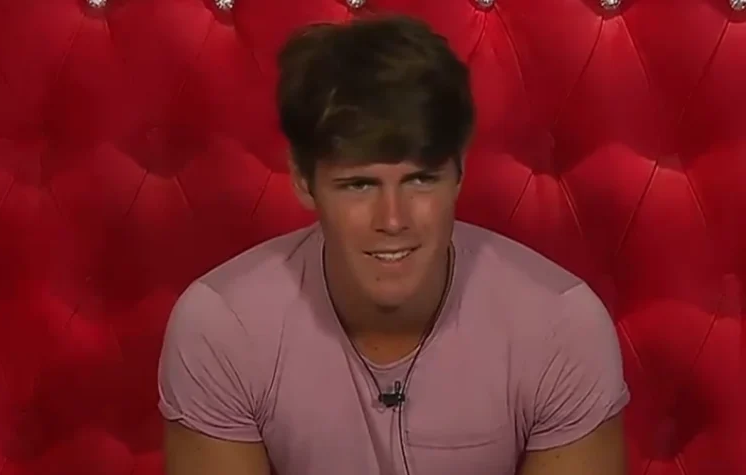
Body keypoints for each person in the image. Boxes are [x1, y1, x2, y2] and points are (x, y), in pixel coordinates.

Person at [157, 14, 630, 475]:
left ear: (459, 173)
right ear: (303, 181)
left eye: (421, 180)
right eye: (359, 185)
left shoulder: (561, 328)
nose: (393, 220)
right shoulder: (222, 327)